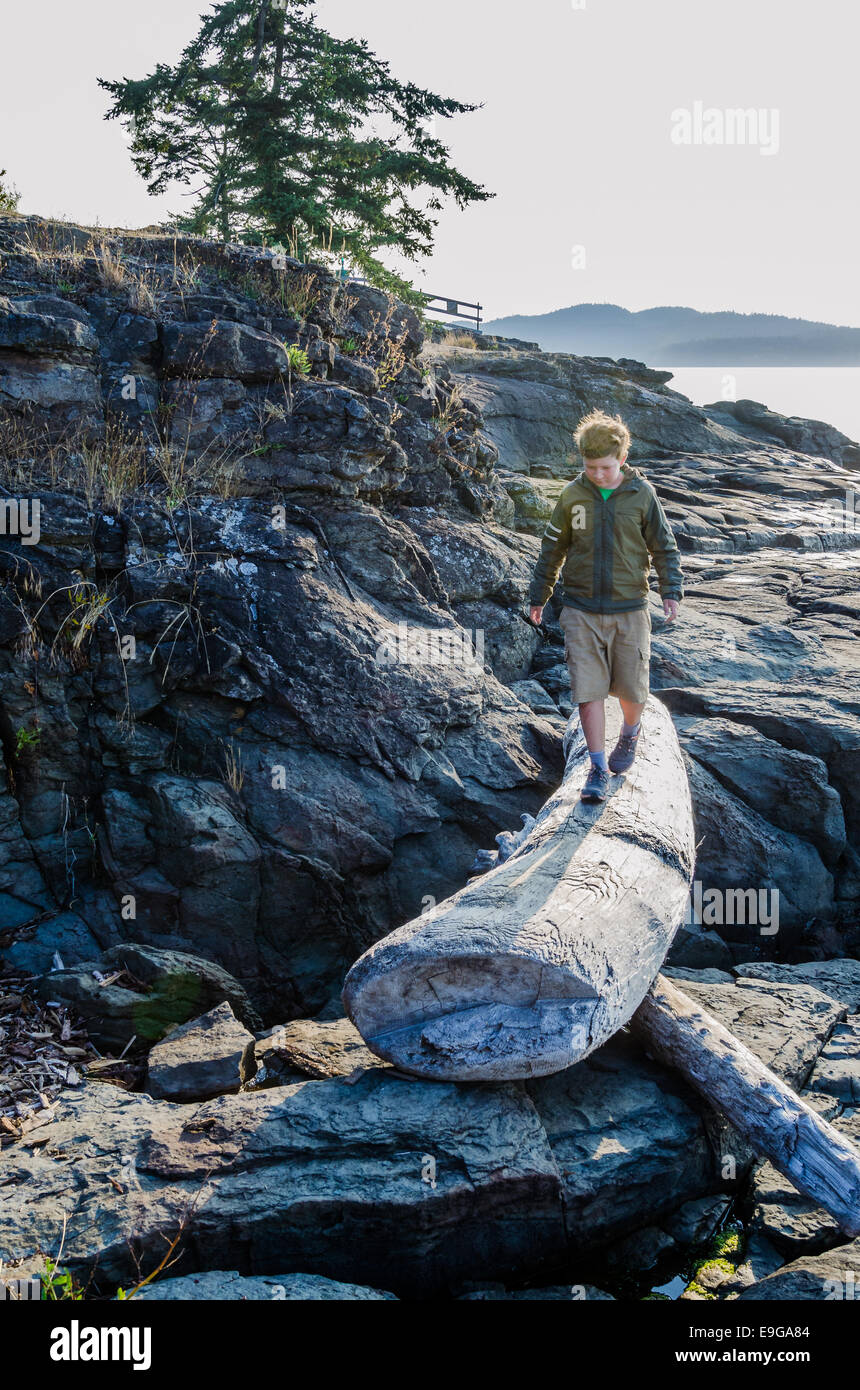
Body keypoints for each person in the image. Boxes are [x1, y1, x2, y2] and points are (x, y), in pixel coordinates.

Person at [528, 409, 683, 803]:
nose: (597, 474)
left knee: (633, 691)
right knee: (588, 691)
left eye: (605, 467)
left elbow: (663, 546)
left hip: (630, 608)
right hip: (579, 609)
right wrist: (539, 595)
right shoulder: (571, 495)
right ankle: (596, 768)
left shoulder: (642, 495)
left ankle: (630, 734)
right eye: (590, 466)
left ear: (623, 460)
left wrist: (671, 590)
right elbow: (552, 549)